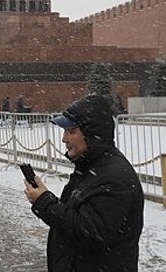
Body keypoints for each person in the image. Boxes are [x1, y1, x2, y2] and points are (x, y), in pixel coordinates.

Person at [23, 94, 144, 271]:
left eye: (71, 132)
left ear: (92, 135)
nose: (64, 139)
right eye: (65, 132)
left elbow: (91, 233)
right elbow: (79, 218)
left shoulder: (114, 179)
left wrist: (45, 202)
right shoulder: (91, 167)